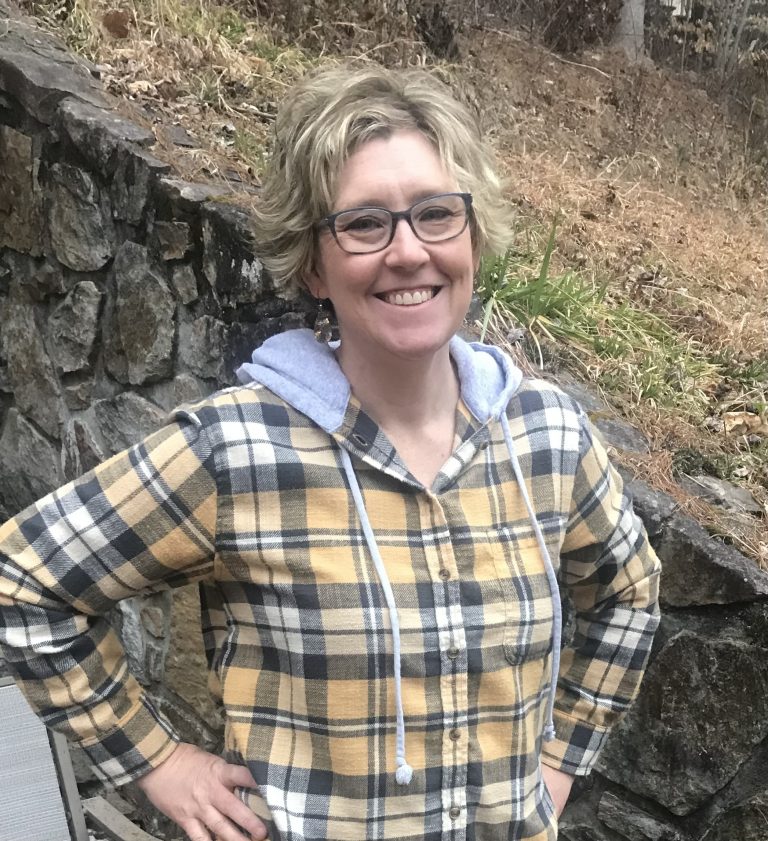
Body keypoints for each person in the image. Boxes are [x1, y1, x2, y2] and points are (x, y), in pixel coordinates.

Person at [0, 65, 660, 841]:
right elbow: (25, 581)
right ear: (314, 263)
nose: (408, 250)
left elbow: (629, 592)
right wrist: (156, 760)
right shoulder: (237, 451)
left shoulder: (548, 436)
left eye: (436, 213)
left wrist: (559, 761)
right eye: (365, 224)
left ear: (473, 235)